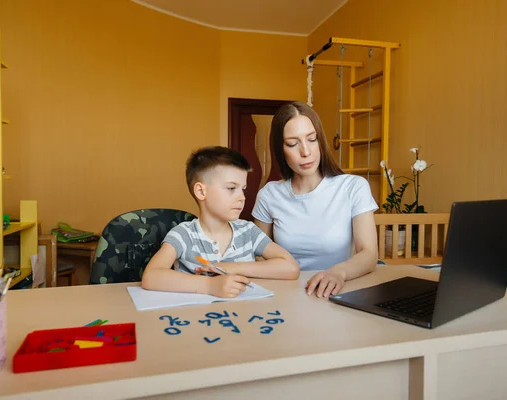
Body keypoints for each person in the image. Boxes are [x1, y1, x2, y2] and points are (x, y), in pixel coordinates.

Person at [252, 101, 379, 299]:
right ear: (280, 149)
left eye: (312, 139)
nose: (306, 152)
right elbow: (259, 256)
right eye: (293, 144)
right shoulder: (269, 195)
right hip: (287, 295)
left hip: (338, 291)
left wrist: (338, 273)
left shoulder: (353, 187)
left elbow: (369, 253)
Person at [141, 146, 300, 298]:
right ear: (201, 191)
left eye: (242, 189)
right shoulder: (184, 234)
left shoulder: (248, 231)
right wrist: (210, 286)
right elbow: (151, 276)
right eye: (231, 188)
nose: (242, 197)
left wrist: (231, 268)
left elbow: (291, 267)